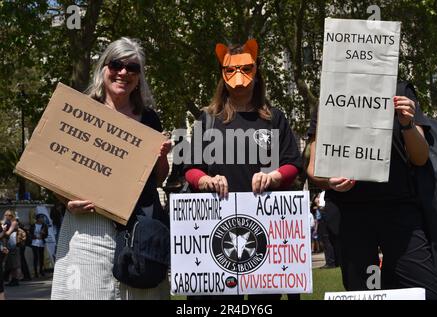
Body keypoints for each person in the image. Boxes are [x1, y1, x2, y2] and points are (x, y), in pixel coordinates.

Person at [51, 37, 172, 300]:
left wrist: (163, 157)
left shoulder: (150, 119)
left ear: (139, 77)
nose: (123, 73)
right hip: (89, 226)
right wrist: (67, 201)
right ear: (104, 68)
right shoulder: (81, 110)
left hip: (138, 227)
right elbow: (54, 169)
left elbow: (157, 179)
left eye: (133, 68)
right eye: (116, 64)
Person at [184, 39, 302, 299]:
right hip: (217, 227)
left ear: (256, 70)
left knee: (265, 301)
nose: (238, 76)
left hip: (266, 227)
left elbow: (293, 163)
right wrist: (206, 181)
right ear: (222, 75)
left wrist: (274, 177)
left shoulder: (273, 117)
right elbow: (191, 170)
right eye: (231, 70)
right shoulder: (208, 119)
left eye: (246, 69)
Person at [306, 82, 437, 299]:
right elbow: (314, 169)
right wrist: (330, 181)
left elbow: (420, 158)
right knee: (366, 292)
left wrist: (407, 123)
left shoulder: (400, 90)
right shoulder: (329, 97)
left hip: (401, 214)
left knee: (427, 292)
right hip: (352, 216)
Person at [3, 210, 22, 287]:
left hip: (13, 245)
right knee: (11, 263)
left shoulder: (14, 223)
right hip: (10, 244)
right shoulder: (7, 222)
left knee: (14, 264)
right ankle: (13, 279)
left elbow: (8, 233)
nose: (7, 216)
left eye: (9, 215)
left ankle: (15, 280)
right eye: (6, 215)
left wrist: (3, 230)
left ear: (12, 216)